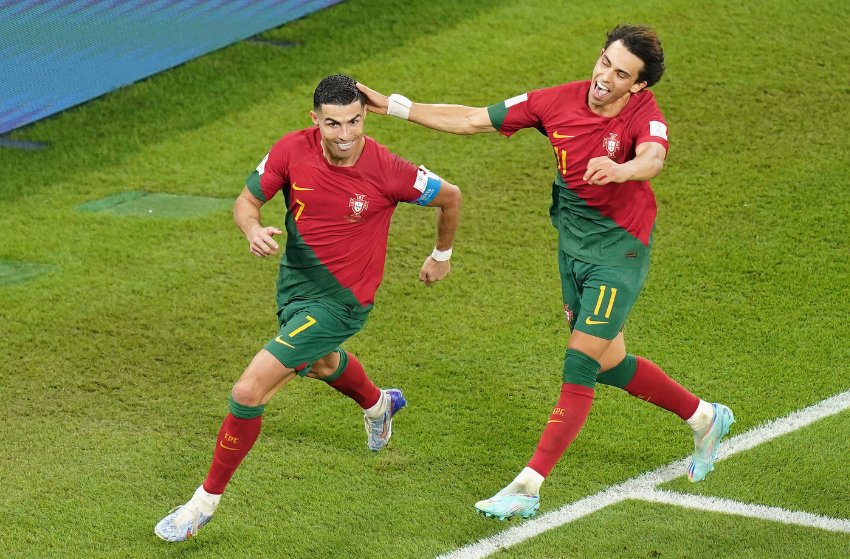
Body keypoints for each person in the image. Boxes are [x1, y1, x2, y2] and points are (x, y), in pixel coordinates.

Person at [357, 23, 733, 520]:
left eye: (621, 74)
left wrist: (622, 170)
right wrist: (395, 106)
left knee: (579, 364)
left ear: (638, 85)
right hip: (573, 246)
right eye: (604, 62)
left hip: (619, 251)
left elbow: (654, 156)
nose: (604, 77)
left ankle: (527, 485)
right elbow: (472, 120)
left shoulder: (645, 113)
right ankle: (705, 417)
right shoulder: (553, 102)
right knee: (608, 363)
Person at [154, 74, 462, 541]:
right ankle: (378, 404)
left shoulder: (389, 169)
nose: (344, 135)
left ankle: (202, 504)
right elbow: (246, 200)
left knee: (248, 391)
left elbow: (450, 196)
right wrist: (251, 228)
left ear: (365, 116)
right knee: (321, 363)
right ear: (314, 119)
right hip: (295, 289)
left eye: (354, 122)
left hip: (343, 301)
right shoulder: (290, 150)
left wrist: (441, 256)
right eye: (333, 124)